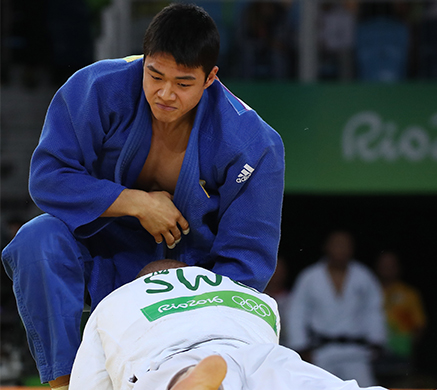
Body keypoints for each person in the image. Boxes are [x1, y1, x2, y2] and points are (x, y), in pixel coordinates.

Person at [1, 4, 284, 388]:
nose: (165, 93)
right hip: (99, 259)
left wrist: (189, 294)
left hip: (186, 280)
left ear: (210, 78)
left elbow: (246, 265)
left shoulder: (253, 144)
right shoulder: (97, 89)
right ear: (144, 60)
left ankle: (191, 377)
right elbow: (49, 177)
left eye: (184, 83)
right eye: (155, 75)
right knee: (36, 240)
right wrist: (137, 202)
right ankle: (64, 382)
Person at [69, 259, 437, 390]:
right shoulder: (240, 293)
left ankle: (196, 381)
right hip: (270, 361)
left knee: (173, 374)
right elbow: (267, 337)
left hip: (179, 359)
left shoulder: (121, 300)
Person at [285, 230, 386, 387]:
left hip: (356, 352)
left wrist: (376, 340)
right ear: (326, 247)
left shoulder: (364, 276)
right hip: (321, 351)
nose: (341, 249)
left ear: (352, 249)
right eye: (337, 244)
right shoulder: (310, 277)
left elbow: (373, 310)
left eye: (345, 245)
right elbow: (297, 312)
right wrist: (300, 346)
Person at [374, 250, 427, 387]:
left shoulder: (409, 293)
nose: (387, 269)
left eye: (391, 266)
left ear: (398, 268)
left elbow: (419, 325)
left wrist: (406, 347)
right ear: (377, 267)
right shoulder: (368, 291)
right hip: (374, 354)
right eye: (384, 265)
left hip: (400, 353)